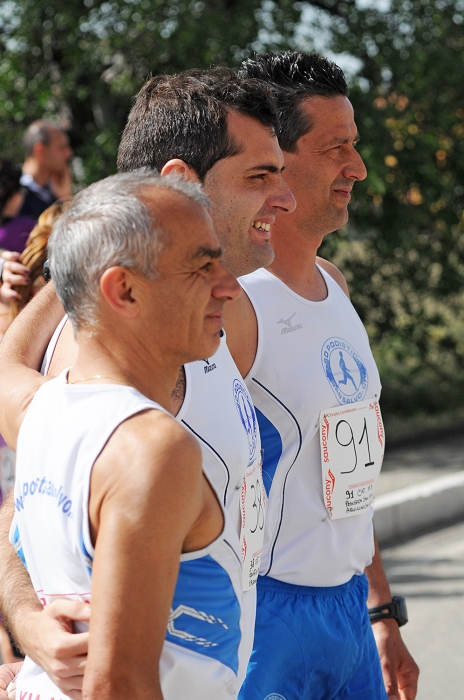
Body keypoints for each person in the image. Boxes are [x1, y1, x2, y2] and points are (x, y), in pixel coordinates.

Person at [0, 68, 295, 698]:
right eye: (260, 176)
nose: (286, 198)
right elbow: (120, 682)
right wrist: (29, 624)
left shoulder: (210, 321)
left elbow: (24, 499)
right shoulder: (120, 387)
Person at [2, 168, 245, 700]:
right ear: (124, 289)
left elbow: (6, 364)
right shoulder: (152, 448)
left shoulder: (40, 410)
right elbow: (119, 686)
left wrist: (25, 620)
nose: (229, 284)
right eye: (202, 265)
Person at [228, 51, 419, 700]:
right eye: (337, 148)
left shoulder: (334, 286)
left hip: (347, 620)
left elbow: (348, 477)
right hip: (265, 626)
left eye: (356, 146)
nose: (358, 169)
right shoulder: (231, 306)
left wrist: (381, 609)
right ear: (274, 161)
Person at [19, 121, 73, 220]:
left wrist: (65, 199)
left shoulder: (56, 188)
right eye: (61, 148)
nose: (68, 153)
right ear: (40, 150)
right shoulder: (13, 194)